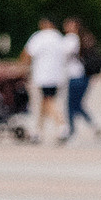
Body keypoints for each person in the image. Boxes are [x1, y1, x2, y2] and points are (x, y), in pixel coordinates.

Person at [23, 11, 67, 139]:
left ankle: (62, 125)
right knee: (44, 101)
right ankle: (37, 131)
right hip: (58, 75)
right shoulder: (59, 37)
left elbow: (27, 54)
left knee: (48, 101)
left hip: (44, 75)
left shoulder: (40, 36)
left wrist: (22, 68)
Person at [60, 16, 101, 142]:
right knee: (77, 105)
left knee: (71, 105)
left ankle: (71, 130)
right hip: (83, 75)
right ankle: (93, 125)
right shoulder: (84, 38)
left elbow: (63, 53)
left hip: (75, 76)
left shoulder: (71, 38)